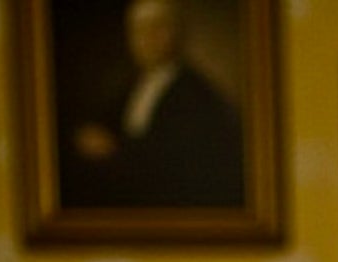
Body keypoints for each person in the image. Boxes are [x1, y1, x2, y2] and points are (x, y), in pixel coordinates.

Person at [63, 0, 244, 210]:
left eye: (157, 27)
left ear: (177, 32)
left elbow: (178, 165)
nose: (147, 38)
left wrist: (114, 151)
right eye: (139, 30)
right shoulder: (130, 87)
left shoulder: (198, 95)